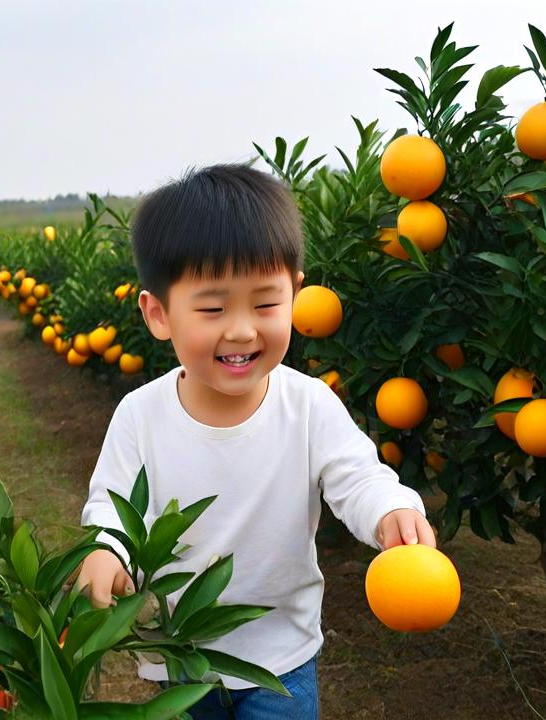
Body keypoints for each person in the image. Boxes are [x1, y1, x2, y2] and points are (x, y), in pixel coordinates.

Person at [76, 164, 433, 719]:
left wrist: (390, 510)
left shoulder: (308, 404)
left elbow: (357, 476)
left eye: (265, 304)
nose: (242, 330)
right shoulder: (140, 416)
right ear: (158, 314)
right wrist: (107, 548)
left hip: (279, 658)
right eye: (213, 309)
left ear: (296, 293)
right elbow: (113, 505)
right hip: (179, 654)